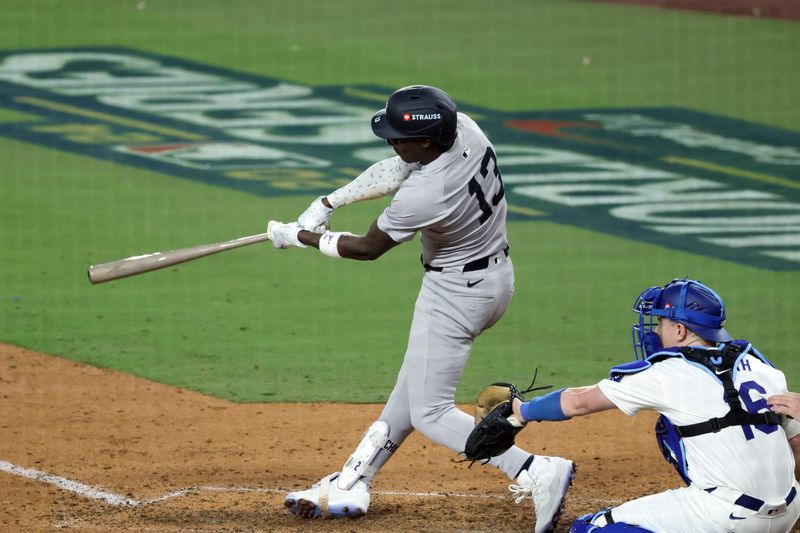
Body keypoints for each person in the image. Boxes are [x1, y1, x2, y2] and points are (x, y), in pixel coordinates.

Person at [267, 85, 574, 533]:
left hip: (456, 293)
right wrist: (329, 203)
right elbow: (399, 166)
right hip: (490, 279)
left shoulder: (429, 193)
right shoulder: (463, 128)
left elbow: (369, 249)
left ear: (427, 141)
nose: (392, 142)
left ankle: (533, 470)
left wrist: (301, 237)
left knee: (429, 410)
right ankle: (353, 479)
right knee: (412, 390)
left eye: (400, 136)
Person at [505, 278, 800, 533]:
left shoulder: (666, 372)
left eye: (661, 322)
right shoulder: (763, 368)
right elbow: (796, 447)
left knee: (590, 529)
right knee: (676, 424)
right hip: (789, 513)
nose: (656, 331)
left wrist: (523, 411)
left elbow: (578, 402)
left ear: (681, 331)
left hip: (726, 516)